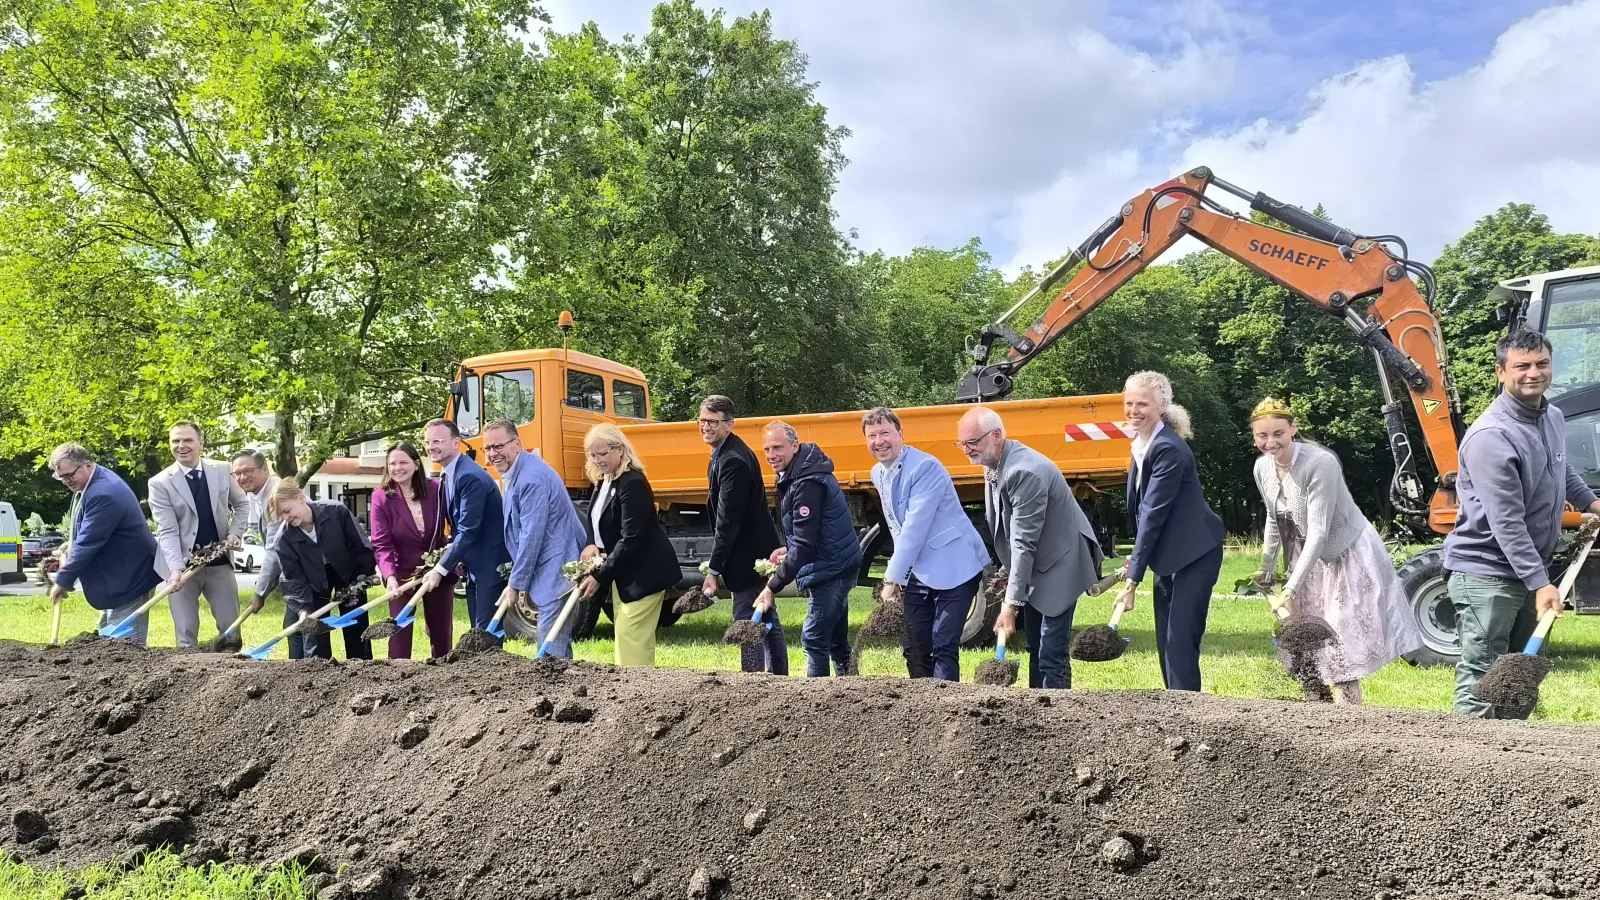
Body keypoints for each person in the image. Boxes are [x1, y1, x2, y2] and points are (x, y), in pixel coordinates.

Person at [1443, 330, 1600, 718]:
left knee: (1521, 677)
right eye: (1522, 366)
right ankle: (1468, 765)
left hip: (1529, 571)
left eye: (1541, 364)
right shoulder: (1492, 437)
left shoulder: (1553, 416)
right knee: (1484, 676)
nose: (1534, 373)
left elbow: (1561, 467)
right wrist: (1540, 583)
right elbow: (1505, 522)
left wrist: (1592, 503)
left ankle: (1514, 764)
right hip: (1486, 573)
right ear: (1501, 372)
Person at [1248, 398, 1423, 704]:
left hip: (1345, 553)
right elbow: (1275, 519)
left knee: (1338, 650)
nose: (1270, 442)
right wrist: (1266, 566)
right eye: (1262, 436)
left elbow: (1319, 531)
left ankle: (1349, 727)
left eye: (1278, 433)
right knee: (1305, 646)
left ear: (1293, 430)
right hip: (1308, 559)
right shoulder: (1262, 468)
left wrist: (1290, 588)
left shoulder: (1319, 463)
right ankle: (1318, 721)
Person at [956, 407, 1103, 688]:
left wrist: (1009, 608)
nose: (966, 450)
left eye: (972, 442)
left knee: (1050, 652)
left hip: (1062, 563)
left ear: (996, 435)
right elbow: (1011, 535)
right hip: (1038, 561)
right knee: (1035, 647)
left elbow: (1024, 542)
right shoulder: (995, 465)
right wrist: (1008, 575)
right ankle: (1038, 711)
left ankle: (1058, 720)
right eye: (962, 443)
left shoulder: (1024, 472)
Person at [1114, 371, 1226, 692]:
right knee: (1165, 641)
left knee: (1179, 641)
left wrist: (1134, 578)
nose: (1134, 410)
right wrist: (1134, 560)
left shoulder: (1168, 449)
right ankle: (1176, 708)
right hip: (1168, 556)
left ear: (1162, 407)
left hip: (1195, 554)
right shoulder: (1142, 445)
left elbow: (1152, 512)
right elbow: (1143, 513)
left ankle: (1190, 717)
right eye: (1129, 403)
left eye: (1143, 404)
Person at [865, 406, 989, 681]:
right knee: (915, 647)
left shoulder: (925, 467)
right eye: (871, 435)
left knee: (943, 643)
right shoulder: (877, 472)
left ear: (900, 434)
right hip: (918, 572)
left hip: (956, 565)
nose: (879, 441)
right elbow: (896, 528)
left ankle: (947, 711)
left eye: (885, 432)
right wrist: (903, 576)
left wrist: (891, 579)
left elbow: (914, 527)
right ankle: (922, 711)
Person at [755, 422, 863, 677]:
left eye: (777, 447)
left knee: (814, 638)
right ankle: (854, 695)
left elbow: (804, 546)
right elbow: (807, 535)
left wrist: (771, 587)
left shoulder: (807, 481)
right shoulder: (798, 472)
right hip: (834, 562)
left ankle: (817, 707)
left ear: (795, 446)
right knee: (836, 642)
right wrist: (788, 549)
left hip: (832, 568)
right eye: (767, 449)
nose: (771, 455)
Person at [576, 424, 680, 666]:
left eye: (603, 453)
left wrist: (599, 575)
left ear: (620, 450)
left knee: (632, 637)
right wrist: (593, 544)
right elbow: (597, 518)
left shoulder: (632, 482)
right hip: (624, 573)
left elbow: (632, 537)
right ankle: (629, 691)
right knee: (625, 635)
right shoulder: (604, 480)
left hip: (644, 573)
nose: (598, 460)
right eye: (593, 454)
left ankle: (639, 694)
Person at [697, 395, 787, 674]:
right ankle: (778, 679)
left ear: (729, 424)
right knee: (766, 616)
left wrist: (713, 569)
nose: (706, 427)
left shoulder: (733, 460)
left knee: (747, 620)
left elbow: (728, 521)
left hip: (749, 556)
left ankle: (751, 685)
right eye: (702, 421)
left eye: (713, 421)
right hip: (756, 551)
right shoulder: (725, 453)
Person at [484, 420, 586, 656]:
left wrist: (515, 585)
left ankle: (557, 691)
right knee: (551, 644)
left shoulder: (531, 479)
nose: (492, 454)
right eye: (487, 448)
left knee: (552, 649)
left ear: (517, 444)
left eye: (498, 446)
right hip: (549, 566)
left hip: (558, 569)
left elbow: (532, 536)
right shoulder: (517, 472)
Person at [46, 444, 162, 646]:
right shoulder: (90, 485)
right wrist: (68, 547)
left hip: (129, 580)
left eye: (69, 475)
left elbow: (88, 542)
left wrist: (63, 580)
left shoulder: (104, 493)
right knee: (107, 643)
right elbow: (86, 531)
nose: (65, 482)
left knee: (125, 649)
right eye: (61, 477)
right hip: (114, 581)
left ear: (87, 465)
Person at [147, 421, 246, 649]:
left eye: (188, 440)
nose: (181, 445)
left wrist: (235, 532)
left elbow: (241, 504)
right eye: (175, 441)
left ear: (200, 443)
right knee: (186, 633)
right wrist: (175, 569)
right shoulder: (159, 483)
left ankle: (232, 675)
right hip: (181, 565)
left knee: (230, 630)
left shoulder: (221, 470)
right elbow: (168, 531)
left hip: (219, 561)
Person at [267, 478, 377, 660]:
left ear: (300, 497)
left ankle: (361, 668)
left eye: (287, 511)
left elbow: (360, 544)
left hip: (349, 576)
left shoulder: (336, 511)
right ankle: (317, 675)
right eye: (281, 516)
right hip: (312, 585)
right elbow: (293, 578)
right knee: (314, 635)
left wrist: (365, 574)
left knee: (357, 627)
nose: (286, 518)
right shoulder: (284, 539)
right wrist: (304, 610)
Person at [416, 418, 510, 629]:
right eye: (428, 442)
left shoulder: (469, 476)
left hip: (489, 566)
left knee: (487, 634)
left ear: (456, 443)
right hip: (475, 565)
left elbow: (468, 531)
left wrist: (439, 570)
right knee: (478, 631)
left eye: (438, 441)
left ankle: (492, 664)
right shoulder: (451, 473)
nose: (431, 447)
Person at [369, 441, 455, 659]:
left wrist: (447, 558)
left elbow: (455, 524)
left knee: (441, 633)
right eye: (392, 463)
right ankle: (398, 679)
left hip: (437, 573)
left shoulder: (437, 489)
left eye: (403, 462)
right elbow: (382, 543)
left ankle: (442, 676)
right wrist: (389, 576)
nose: (397, 468)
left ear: (416, 464)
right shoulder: (381, 497)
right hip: (402, 576)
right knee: (399, 633)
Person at [231, 450, 303, 657]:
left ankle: (302, 674)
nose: (242, 477)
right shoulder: (260, 495)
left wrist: (259, 593)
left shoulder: (275, 495)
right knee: (296, 627)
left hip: (306, 571)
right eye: (237, 473)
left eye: (248, 471)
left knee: (297, 629)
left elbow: (274, 549)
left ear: (264, 469)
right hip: (298, 572)